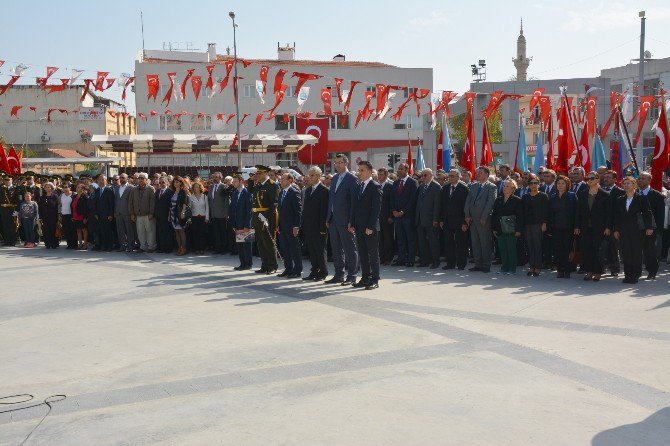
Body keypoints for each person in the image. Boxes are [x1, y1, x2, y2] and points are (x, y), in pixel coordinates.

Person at [326, 154, 359, 285]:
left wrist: (352, 220)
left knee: (350, 248)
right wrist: (328, 217)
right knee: (336, 249)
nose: (337, 165)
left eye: (340, 162)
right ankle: (339, 274)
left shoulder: (352, 179)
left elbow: (354, 202)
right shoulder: (334, 179)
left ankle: (352, 275)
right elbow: (331, 200)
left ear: (346, 163)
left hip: (346, 220)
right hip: (333, 219)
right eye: (335, 163)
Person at [613, 177, 654, 284]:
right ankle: (628, 275)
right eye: (624, 183)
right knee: (626, 252)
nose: (626, 185)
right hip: (624, 230)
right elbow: (617, 216)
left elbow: (647, 213)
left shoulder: (641, 198)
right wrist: (616, 230)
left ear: (634, 185)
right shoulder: (620, 199)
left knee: (636, 252)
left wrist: (649, 227)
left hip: (637, 229)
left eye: (629, 183)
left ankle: (636, 274)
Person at [349, 161, 382, 290]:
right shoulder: (359, 186)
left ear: (369, 171)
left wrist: (371, 226)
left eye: (362, 170)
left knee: (373, 254)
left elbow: (376, 209)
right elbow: (355, 207)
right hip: (359, 226)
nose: (359, 173)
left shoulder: (375, 186)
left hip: (370, 227)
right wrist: (352, 222)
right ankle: (365, 277)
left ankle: (375, 279)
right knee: (362, 253)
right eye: (359, 170)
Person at [575, 172, 610, 281]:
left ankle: (598, 272)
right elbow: (578, 212)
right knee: (586, 249)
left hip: (599, 227)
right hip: (585, 227)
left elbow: (609, 213)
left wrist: (608, 227)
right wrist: (577, 226)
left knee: (597, 250)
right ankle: (589, 271)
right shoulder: (582, 194)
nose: (589, 180)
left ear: (598, 179)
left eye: (592, 178)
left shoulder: (605, 194)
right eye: (588, 178)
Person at [464, 166, 497, 273]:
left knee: (485, 243)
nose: (478, 174)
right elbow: (468, 201)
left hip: (484, 219)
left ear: (487, 175)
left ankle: (486, 265)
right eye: (477, 172)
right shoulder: (473, 186)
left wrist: (484, 217)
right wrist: (467, 215)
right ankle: (478, 264)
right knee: (475, 243)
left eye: (480, 172)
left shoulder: (491, 187)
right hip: (472, 219)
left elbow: (490, 203)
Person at [300, 166, 330, 281]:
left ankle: (323, 272)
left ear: (318, 176)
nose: (310, 177)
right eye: (309, 175)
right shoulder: (308, 190)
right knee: (312, 250)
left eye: (312, 175)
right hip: (309, 225)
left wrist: (323, 227)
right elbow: (305, 209)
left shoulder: (324, 190)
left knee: (320, 250)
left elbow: (324, 211)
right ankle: (314, 270)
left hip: (319, 226)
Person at [251, 166, 280, 274]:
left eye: (259, 174)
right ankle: (265, 265)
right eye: (257, 174)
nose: (257, 176)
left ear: (266, 174)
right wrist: (251, 180)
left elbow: (274, 204)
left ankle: (272, 266)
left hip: (267, 217)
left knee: (269, 241)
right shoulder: (258, 185)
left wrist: (265, 216)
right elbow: (250, 190)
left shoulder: (272, 185)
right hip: (257, 215)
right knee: (260, 242)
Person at [491, 179, 523, 275]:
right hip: (500, 228)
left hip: (511, 229)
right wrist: (494, 228)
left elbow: (520, 216)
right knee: (502, 248)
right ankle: (504, 267)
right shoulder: (498, 199)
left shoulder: (517, 200)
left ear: (513, 188)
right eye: (504, 186)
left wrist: (518, 230)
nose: (505, 188)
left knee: (511, 249)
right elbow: (494, 214)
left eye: (507, 186)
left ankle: (512, 268)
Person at [548, 175, 578, 278]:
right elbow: (550, 214)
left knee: (567, 249)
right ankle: (559, 269)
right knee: (557, 249)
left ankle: (567, 270)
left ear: (567, 185)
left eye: (563, 184)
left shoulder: (571, 196)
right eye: (558, 184)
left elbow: (576, 213)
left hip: (568, 228)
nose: (560, 186)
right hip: (556, 228)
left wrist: (576, 227)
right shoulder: (552, 196)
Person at [390, 163, 418, 266]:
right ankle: (401, 258)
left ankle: (411, 259)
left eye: (401, 169)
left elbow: (412, 200)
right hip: (397, 216)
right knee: (400, 239)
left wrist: (403, 212)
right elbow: (392, 198)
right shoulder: (396, 183)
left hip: (408, 216)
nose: (398, 171)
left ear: (407, 170)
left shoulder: (412, 182)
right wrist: (394, 211)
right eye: (398, 169)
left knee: (410, 239)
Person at [440, 169, 469, 270]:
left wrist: (465, 222)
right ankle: (450, 263)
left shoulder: (463, 188)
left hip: (459, 221)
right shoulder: (445, 188)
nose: (450, 178)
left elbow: (465, 207)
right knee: (448, 243)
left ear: (458, 177)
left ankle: (461, 264)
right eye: (449, 176)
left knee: (460, 243)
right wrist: (442, 220)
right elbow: (442, 205)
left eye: (452, 176)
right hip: (447, 220)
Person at [637, 172, 664, 280]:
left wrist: (658, 231)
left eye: (643, 178)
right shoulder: (633, 193)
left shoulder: (657, 195)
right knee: (636, 251)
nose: (640, 180)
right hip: (636, 228)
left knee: (650, 252)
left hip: (650, 229)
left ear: (649, 180)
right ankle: (636, 271)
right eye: (639, 178)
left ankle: (652, 271)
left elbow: (660, 216)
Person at [521, 174, 548, 276]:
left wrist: (544, 223)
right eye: (531, 183)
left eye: (535, 183)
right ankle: (531, 267)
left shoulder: (543, 196)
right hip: (527, 225)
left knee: (537, 246)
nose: (533, 185)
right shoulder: (525, 197)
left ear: (539, 184)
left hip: (538, 225)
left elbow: (545, 211)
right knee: (529, 246)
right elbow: (522, 212)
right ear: (528, 185)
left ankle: (537, 267)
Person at [277, 173, 303, 278]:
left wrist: (296, 226)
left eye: (283, 179)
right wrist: (278, 225)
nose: (281, 181)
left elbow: (298, 211)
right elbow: (280, 210)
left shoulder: (294, 192)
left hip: (292, 226)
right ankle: (288, 269)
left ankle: (297, 270)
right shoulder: (282, 192)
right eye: (281, 179)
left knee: (294, 248)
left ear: (290, 180)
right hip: (283, 226)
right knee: (285, 249)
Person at [415, 168, 442, 268]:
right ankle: (424, 261)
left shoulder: (436, 187)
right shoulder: (422, 186)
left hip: (430, 219)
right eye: (422, 175)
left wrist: (435, 219)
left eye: (425, 175)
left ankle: (436, 260)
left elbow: (437, 205)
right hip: (420, 219)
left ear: (431, 176)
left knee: (433, 241)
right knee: (422, 242)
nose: (423, 177)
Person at [602, 170, 625, 276]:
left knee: (613, 247)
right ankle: (601, 268)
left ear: (615, 179)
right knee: (601, 247)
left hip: (614, 224)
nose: (606, 179)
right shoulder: (600, 190)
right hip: (601, 223)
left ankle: (614, 268)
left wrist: (614, 227)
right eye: (605, 177)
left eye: (609, 177)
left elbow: (619, 211)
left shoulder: (620, 192)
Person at [129, 172, 157, 253]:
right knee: (140, 231)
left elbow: (152, 202)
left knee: (150, 231)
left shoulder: (151, 189)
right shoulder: (134, 189)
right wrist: (132, 213)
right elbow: (130, 202)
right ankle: (143, 246)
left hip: (148, 215)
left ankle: (151, 246)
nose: (140, 180)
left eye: (142, 178)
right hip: (138, 215)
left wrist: (151, 213)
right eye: (139, 178)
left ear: (146, 180)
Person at [230, 175, 253, 270]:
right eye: (233, 181)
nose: (233, 183)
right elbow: (232, 209)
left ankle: (248, 264)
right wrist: (233, 224)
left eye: (235, 181)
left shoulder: (247, 193)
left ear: (241, 181)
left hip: (245, 223)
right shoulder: (234, 193)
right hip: (237, 223)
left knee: (246, 245)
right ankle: (242, 263)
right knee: (240, 245)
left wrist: (247, 225)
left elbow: (249, 210)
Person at [208, 172, 231, 254]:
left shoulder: (224, 186)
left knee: (223, 232)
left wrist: (226, 213)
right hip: (213, 213)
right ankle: (217, 248)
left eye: (216, 177)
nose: (214, 178)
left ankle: (223, 248)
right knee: (215, 232)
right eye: (213, 177)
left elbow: (226, 201)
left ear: (220, 178)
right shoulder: (210, 187)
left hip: (222, 213)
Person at [91, 175, 115, 251]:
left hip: (107, 215)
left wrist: (111, 214)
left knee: (107, 231)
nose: (101, 181)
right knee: (101, 231)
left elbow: (112, 203)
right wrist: (95, 213)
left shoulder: (109, 190)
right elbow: (95, 203)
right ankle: (103, 246)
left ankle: (109, 246)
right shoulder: (97, 190)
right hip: (99, 215)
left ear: (106, 181)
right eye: (99, 180)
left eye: (102, 179)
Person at [114, 173, 135, 252]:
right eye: (120, 178)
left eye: (123, 177)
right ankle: (122, 246)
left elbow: (133, 201)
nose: (121, 179)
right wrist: (115, 211)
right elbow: (115, 200)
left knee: (129, 230)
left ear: (127, 178)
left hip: (128, 212)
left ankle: (130, 246)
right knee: (120, 230)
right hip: (118, 212)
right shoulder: (117, 187)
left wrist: (132, 213)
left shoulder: (131, 188)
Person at [377, 167, 394, 266]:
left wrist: (391, 216)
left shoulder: (389, 186)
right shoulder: (377, 185)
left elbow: (392, 202)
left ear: (386, 175)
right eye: (378, 174)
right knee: (380, 239)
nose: (379, 176)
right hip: (378, 217)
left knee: (388, 238)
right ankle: (382, 257)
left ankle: (388, 258)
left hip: (387, 217)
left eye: (381, 175)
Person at [187, 181, 209, 255]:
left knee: (202, 234)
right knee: (195, 234)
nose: (196, 188)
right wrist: (189, 219)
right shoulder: (191, 197)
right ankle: (197, 248)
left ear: (200, 188)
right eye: (194, 187)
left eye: (197, 187)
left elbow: (207, 208)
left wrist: (207, 217)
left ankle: (202, 248)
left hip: (203, 217)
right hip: (194, 217)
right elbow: (189, 209)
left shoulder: (204, 196)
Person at [155, 176, 175, 253]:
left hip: (167, 216)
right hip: (159, 216)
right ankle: (161, 247)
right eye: (160, 182)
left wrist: (170, 215)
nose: (161, 184)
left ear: (167, 182)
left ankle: (168, 248)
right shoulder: (157, 191)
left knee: (168, 233)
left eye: (163, 182)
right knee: (160, 232)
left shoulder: (170, 191)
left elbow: (171, 205)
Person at [170, 177, 189, 256]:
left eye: (177, 182)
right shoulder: (173, 191)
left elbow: (185, 203)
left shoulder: (183, 191)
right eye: (174, 182)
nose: (175, 183)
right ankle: (179, 248)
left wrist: (183, 212)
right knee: (176, 232)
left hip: (180, 213)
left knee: (181, 231)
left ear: (181, 183)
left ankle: (184, 248)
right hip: (173, 214)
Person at [38, 182, 60, 249]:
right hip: (45, 216)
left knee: (53, 229)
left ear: (52, 188)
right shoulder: (42, 197)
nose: (47, 188)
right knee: (46, 230)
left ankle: (54, 243)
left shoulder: (55, 196)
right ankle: (47, 243)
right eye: (46, 187)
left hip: (53, 216)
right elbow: (40, 207)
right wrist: (40, 217)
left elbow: (58, 206)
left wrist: (58, 216)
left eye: (49, 187)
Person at [0, 175, 18, 246]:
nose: (7, 181)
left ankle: (13, 241)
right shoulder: (1, 188)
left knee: (12, 225)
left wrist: (17, 211)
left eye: (8, 180)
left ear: (11, 180)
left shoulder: (15, 188)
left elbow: (18, 200)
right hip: (3, 209)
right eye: (5, 180)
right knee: (5, 225)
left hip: (11, 209)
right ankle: (7, 241)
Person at [58, 183, 77, 249]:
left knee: (73, 230)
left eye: (66, 187)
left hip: (72, 215)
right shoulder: (61, 195)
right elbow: (59, 205)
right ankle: (69, 244)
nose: (65, 189)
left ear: (70, 187)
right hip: (64, 215)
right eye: (63, 187)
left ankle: (74, 244)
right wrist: (59, 213)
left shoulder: (74, 194)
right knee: (66, 230)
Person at [72, 183, 89, 250]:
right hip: (75, 215)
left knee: (84, 230)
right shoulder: (75, 196)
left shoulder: (84, 196)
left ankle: (85, 244)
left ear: (82, 189)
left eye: (79, 187)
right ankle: (80, 244)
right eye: (77, 187)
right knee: (78, 230)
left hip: (82, 215)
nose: (77, 188)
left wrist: (85, 217)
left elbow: (86, 208)